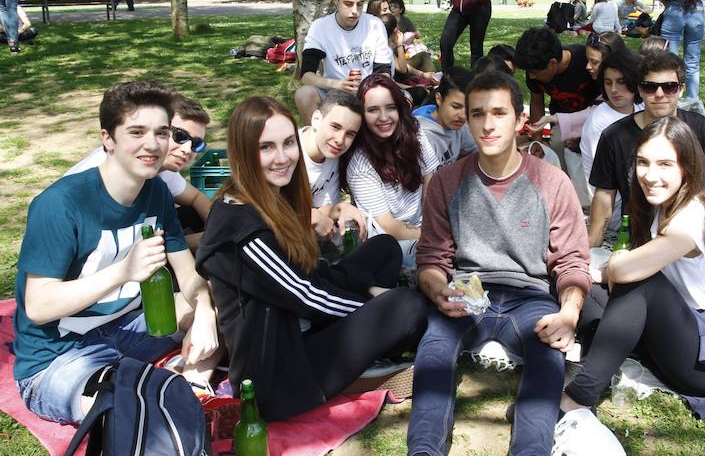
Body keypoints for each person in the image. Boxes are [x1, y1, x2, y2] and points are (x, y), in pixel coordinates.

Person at [390, 69, 592, 456]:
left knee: (549, 355)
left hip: (529, 294)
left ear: (519, 119)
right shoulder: (447, 181)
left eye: (498, 113)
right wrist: (437, 291)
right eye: (477, 113)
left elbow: (572, 261)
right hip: (467, 288)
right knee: (434, 347)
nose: (487, 124)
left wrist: (568, 314)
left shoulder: (552, 182)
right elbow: (431, 259)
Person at [195, 96, 428, 421]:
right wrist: (374, 304)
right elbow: (306, 295)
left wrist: (367, 290)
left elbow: (310, 270)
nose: (282, 158)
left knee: (385, 248)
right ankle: (363, 370)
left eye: (288, 143)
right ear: (243, 151)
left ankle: (367, 356)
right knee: (408, 307)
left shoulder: (274, 197)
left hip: (304, 324)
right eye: (266, 147)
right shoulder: (242, 229)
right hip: (280, 373)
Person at [14, 81, 220, 425]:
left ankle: (192, 386)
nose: (152, 144)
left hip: (129, 328)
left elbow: (188, 276)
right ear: (108, 139)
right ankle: (166, 392)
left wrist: (205, 316)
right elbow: (37, 306)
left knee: (224, 302)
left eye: (162, 132)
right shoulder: (60, 204)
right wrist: (123, 271)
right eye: (137, 132)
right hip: (59, 358)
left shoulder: (155, 192)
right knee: (123, 408)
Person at [563, 117, 705, 431]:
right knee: (579, 283)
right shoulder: (664, 203)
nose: (651, 176)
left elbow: (626, 269)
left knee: (640, 281)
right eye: (643, 163)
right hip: (677, 332)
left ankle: (579, 396)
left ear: (687, 167)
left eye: (665, 164)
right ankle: (589, 349)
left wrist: (615, 266)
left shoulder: (695, 213)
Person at [587, 50, 705, 248]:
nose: (659, 94)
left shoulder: (702, 129)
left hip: (691, 242)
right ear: (640, 90)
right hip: (639, 241)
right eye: (650, 87)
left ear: (681, 89)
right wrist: (591, 248)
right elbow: (604, 196)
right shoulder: (615, 136)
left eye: (669, 87)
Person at [66, 94, 213, 251]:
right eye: (180, 136)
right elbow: (115, 246)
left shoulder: (160, 168)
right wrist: (208, 240)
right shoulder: (107, 174)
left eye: (197, 144)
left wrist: (216, 231)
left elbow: (196, 198)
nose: (187, 149)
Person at [344, 74, 440, 267]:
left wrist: (434, 223)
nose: (384, 118)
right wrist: (432, 236)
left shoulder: (413, 132)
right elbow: (389, 227)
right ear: (362, 114)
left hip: (423, 226)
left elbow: (431, 178)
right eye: (373, 110)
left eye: (390, 107)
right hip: (390, 244)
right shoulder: (360, 163)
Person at [294, 0, 393, 124]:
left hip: (368, 92)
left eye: (360, 4)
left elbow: (384, 73)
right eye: (348, 4)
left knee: (403, 99)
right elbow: (306, 75)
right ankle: (317, 143)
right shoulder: (321, 27)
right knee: (303, 94)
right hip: (332, 93)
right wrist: (336, 84)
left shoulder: (374, 24)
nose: (355, 11)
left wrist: (370, 90)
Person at [515, 27, 598, 177]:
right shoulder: (533, 70)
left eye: (534, 72)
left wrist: (582, 135)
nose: (531, 77)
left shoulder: (584, 61)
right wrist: (538, 141)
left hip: (593, 120)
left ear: (552, 63)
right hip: (560, 122)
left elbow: (603, 105)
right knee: (557, 152)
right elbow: (536, 103)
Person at [299, 90, 369, 243]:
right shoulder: (287, 155)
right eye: (335, 127)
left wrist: (340, 209)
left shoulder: (334, 156)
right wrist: (311, 215)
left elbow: (324, 210)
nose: (340, 140)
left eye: (350, 134)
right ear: (316, 119)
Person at [580, 46, 643, 200]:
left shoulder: (641, 107)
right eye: (608, 83)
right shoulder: (600, 123)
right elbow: (611, 176)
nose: (614, 89)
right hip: (615, 205)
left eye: (621, 82)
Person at [412, 68, 477, 167]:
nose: (463, 116)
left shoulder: (457, 123)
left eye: (469, 108)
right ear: (439, 99)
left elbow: (478, 153)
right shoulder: (421, 138)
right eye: (456, 107)